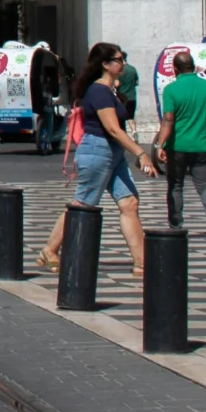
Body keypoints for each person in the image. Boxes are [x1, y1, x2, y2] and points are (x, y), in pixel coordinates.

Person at [41, 42, 153, 279]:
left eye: (123, 58)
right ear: (105, 64)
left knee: (129, 203)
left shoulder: (109, 90)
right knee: (83, 203)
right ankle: (50, 250)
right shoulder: (99, 91)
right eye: (119, 59)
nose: (123, 63)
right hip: (98, 150)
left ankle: (142, 263)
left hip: (114, 154)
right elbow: (113, 129)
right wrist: (141, 153)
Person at [155, 48, 206, 246]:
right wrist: (204, 116)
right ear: (193, 66)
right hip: (202, 145)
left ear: (175, 69)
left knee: (176, 186)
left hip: (177, 147)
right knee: (205, 185)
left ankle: (176, 225)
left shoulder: (171, 90)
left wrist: (159, 145)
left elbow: (168, 120)